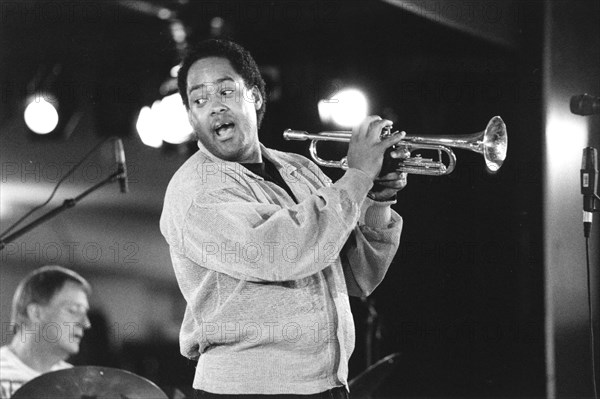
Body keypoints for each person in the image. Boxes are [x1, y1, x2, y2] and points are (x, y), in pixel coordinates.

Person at [160, 38, 407, 398]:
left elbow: (356, 275)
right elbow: (279, 253)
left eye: (226, 92)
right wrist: (357, 177)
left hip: (324, 386)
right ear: (190, 116)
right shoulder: (195, 191)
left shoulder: (300, 169)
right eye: (199, 100)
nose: (213, 107)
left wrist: (377, 198)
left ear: (256, 97)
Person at [0, 265, 92, 398]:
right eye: (73, 310)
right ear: (36, 313)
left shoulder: (79, 384)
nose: (86, 323)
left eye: (85, 313)